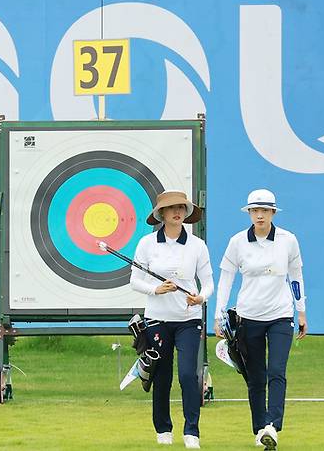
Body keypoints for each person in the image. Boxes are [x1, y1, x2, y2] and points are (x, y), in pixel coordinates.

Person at [214, 189, 307, 451]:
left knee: (277, 371)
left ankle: (272, 426)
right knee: (255, 378)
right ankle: (259, 430)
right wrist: (219, 315)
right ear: (249, 213)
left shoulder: (288, 240)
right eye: (255, 210)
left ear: (273, 213)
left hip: (280, 315)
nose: (259, 215)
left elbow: (296, 277)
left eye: (264, 210)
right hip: (248, 317)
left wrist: (301, 311)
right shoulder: (237, 242)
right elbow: (226, 279)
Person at [130, 190, 213, 449]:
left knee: (188, 374)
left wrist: (200, 298)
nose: (177, 212)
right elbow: (135, 280)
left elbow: (208, 283)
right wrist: (156, 289)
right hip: (157, 319)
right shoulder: (147, 243)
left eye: (181, 207)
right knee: (162, 375)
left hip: (188, 318)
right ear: (161, 214)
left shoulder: (197, 245)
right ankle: (163, 429)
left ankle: (192, 432)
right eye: (171, 208)